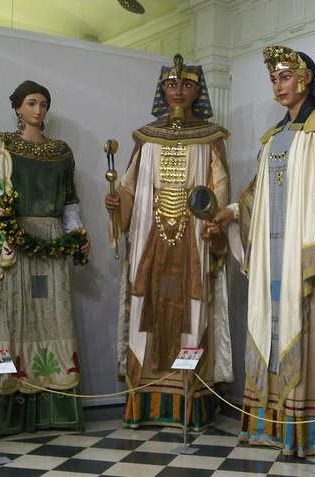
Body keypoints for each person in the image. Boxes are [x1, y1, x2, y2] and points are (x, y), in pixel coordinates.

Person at [208, 45, 315, 456]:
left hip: (303, 254)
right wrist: (231, 213)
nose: (278, 86)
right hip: (270, 255)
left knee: (305, 330)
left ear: (305, 78)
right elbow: (257, 194)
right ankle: (267, 425)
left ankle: (303, 432)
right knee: (266, 327)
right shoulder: (270, 138)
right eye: (273, 79)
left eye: (285, 76)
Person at [104, 54, 232, 430]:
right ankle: (144, 400)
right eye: (172, 84)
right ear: (162, 90)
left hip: (193, 239)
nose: (178, 91)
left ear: (198, 91)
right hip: (151, 238)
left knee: (193, 308)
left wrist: (215, 223)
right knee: (145, 306)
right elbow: (129, 187)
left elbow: (219, 188)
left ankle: (190, 402)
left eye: (186, 85)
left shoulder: (210, 136)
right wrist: (117, 204)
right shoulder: (146, 137)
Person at [0, 80, 90, 435]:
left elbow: (69, 200)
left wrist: (78, 234)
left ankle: (53, 405)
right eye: (31, 103)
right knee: (11, 313)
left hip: (51, 239)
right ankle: (5, 407)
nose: (38, 110)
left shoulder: (61, 151)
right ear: (17, 107)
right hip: (13, 238)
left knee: (51, 314)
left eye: (43, 104)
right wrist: (0, 206)